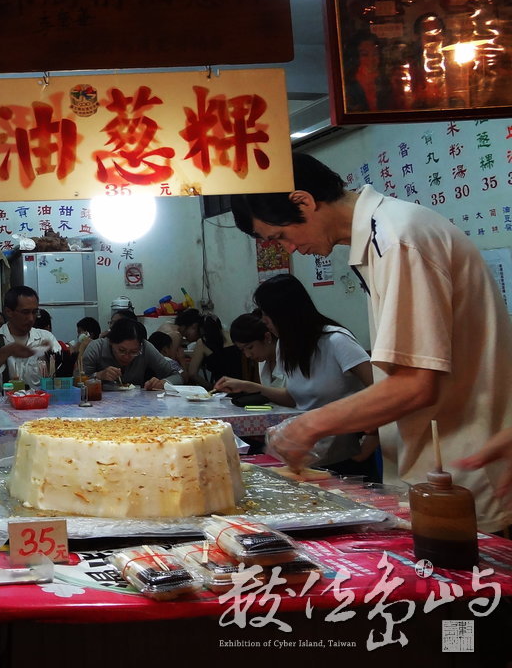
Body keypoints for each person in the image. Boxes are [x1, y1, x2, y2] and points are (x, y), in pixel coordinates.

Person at [230, 152, 512, 532]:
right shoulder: (383, 237)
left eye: (280, 236)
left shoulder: (398, 240)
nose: (289, 249)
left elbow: (416, 384)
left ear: (303, 201)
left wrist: (307, 426)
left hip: (465, 472)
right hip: (432, 467)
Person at [213, 274, 380, 480]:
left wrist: (369, 443)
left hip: (346, 456)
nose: (264, 321)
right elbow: (294, 398)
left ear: (286, 313)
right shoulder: (286, 346)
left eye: (267, 314)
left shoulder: (336, 341)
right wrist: (252, 387)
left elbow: (381, 390)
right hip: (310, 454)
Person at [0, 285, 61, 391]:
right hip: (5, 401)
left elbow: (63, 370)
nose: (31, 318)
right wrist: (7, 351)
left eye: (34, 312)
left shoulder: (45, 337)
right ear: (9, 312)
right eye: (25, 312)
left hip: (40, 400)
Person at [82, 318, 182, 391]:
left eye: (134, 352)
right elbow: (78, 384)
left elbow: (177, 375)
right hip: (100, 405)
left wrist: (163, 383)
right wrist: (98, 376)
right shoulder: (96, 349)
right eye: (122, 350)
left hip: (137, 405)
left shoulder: (146, 348)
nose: (127, 356)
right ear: (111, 342)